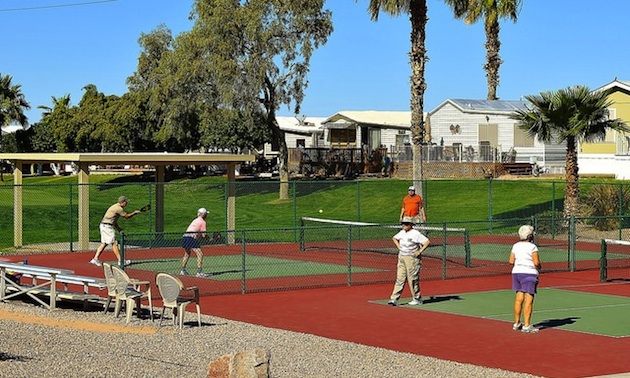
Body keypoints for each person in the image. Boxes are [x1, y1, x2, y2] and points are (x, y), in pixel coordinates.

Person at [388, 216, 431, 306]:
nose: (404, 225)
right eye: (403, 224)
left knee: (412, 279)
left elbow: (427, 242)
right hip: (402, 257)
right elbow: (394, 238)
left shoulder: (416, 233)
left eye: (406, 224)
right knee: (400, 278)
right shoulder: (402, 233)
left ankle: (417, 298)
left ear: (410, 225)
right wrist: (399, 246)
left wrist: (419, 251)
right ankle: (394, 299)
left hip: (412, 259)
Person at [90, 196, 141, 267]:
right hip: (107, 227)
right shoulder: (118, 208)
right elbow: (127, 217)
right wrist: (134, 213)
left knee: (104, 243)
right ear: (123, 202)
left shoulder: (115, 206)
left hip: (104, 226)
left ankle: (95, 259)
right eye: (126, 202)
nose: (127, 204)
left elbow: (113, 219)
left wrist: (118, 228)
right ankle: (121, 261)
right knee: (115, 243)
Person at [509, 225, 542, 333]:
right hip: (529, 273)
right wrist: (539, 268)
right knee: (529, 300)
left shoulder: (515, 246)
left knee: (519, 299)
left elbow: (511, 261)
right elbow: (536, 262)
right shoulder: (532, 247)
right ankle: (527, 325)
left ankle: (517, 322)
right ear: (530, 236)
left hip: (516, 273)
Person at [180, 207, 210, 278]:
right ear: (204, 215)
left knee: (187, 253)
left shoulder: (195, 220)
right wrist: (208, 239)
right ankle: (199, 272)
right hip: (191, 238)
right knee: (200, 254)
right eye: (206, 214)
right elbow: (203, 235)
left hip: (185, 237)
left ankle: (183, 270)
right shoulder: (203, 222)